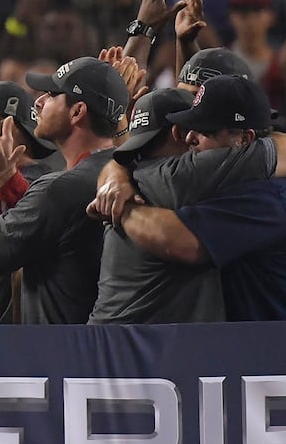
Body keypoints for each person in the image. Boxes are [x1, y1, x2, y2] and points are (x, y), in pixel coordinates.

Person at [94, 75, 286, 321]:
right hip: (271, 342)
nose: (190, 138)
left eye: (205, 131)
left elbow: (181, 242)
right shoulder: (232, 182)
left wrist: (125, 209)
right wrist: (117, 175)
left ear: (244, 140)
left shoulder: (267, 193)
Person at [0, 56, 130, 324]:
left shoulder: (61, 188)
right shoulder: (125, 170)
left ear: (77, 112)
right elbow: (49, 218)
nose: (38, 101)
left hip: (58, 353)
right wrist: (8, 180)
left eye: (52, 94)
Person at [88, 87, 225, 324]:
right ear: (180, 132)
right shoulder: (182, 176)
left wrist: (115, 171)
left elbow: (119, 160)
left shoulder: (136, 174)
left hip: (108, 342)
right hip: (134, 349)